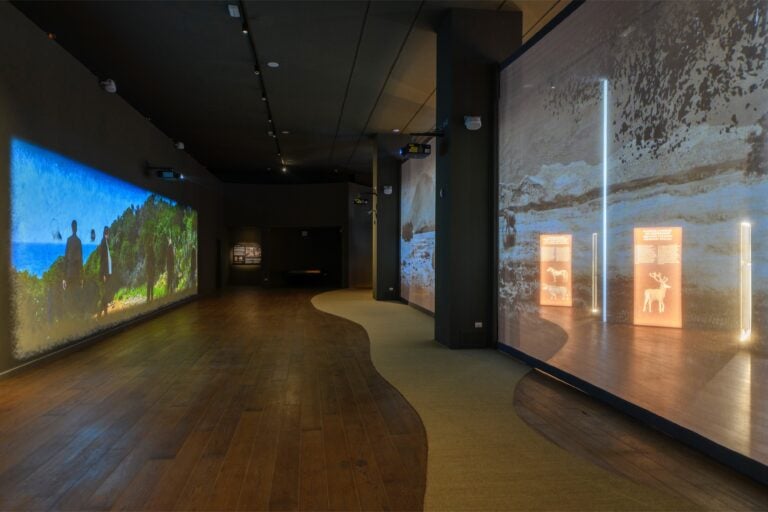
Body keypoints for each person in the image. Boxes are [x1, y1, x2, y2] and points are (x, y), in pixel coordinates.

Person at [62, 219, 83, 317]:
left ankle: (70, 317)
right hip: (76, 274)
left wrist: (64, 278)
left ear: (72, 228)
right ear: (76, 228)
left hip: (69, 273)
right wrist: (82, 277)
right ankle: (74, 316)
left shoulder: (69, 240)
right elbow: (80, 260)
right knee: (75, 295)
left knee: (69, 296)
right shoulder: (78, 241)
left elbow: (65, 258)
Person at [98, 226, 113, 316]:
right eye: (108, 233)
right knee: (104, 293)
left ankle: (105, 312)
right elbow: (102, 260)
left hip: (107, 273)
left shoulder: (106, 242)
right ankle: (101, 313)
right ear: (106, 233)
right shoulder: (103, 242)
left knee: (106, 292)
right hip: (105, 273)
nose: (109, 234)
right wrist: (103, 274)